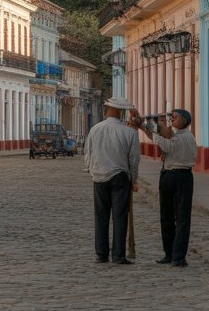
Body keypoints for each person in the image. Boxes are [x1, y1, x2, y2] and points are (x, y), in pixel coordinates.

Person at [132, 108, 198, 268]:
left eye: (175, 117)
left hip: (181, 177)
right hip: (168, 175)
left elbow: (165, 145)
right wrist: (142, 127)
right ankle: (169, 253)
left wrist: (144, 128)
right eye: (172, 117)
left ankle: (178, 256)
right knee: (166, 216)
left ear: (185, 120)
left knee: (182, 218)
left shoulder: (186, 137)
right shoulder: (176, 136)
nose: (172, 119)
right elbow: (160, 139)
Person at [84, 96, 140, 265]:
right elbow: (134, 159)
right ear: (120, 112)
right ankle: (118, 255)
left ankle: (101, 254)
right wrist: (134, 179)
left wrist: (91, 170)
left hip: (100, 176)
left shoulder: (95, 129)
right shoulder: (129, 132)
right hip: (120, 176)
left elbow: (88, 153)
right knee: (120, 216)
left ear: (109, 110)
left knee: (100, 216)